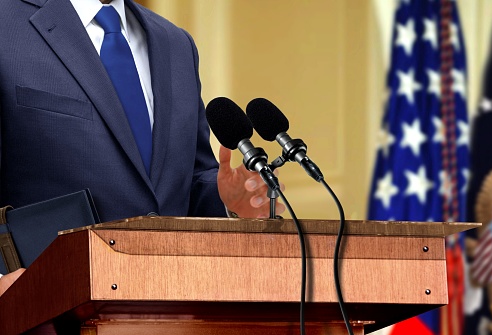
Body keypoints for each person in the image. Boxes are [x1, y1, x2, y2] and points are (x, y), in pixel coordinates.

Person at [0, 0, 284, 294]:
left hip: (171, 303)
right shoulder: (5, 24)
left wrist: (227, 200)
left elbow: (188, 181)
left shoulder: (176, 43)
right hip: (47, 305)